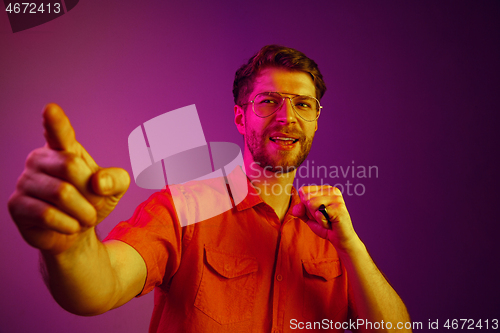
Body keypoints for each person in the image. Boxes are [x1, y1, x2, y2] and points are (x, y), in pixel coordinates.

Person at [8, 45, 411, 332]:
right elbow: (100, 287)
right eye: (268, 101)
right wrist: (70, 245)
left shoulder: (333, 234)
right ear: (240, 117)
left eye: (303, 105)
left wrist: (351, 246)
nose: (287, 117)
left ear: (316, 121)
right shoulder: (182, 208)